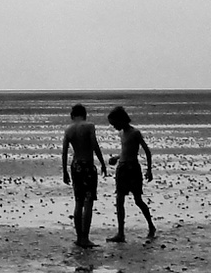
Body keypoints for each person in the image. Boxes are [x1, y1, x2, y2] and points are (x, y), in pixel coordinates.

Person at [61, 105, 108, 248]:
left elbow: (64, 152)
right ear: (84, 114)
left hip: (75, 166)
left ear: (72, 115)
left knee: (78, 202)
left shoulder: (68, 130)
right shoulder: (89, 126)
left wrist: (64, 171)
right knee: (88, 202)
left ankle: (79, 237)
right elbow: (94, 144)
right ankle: (85, 238)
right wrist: (102, 163)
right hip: (87, 165)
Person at [106, 105, 154, 242]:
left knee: (138, 200)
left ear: (121, 120)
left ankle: (151, 226)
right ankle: (120, 233)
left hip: (133, 168)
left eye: (115, 124)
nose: (114, 127)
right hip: (122, 168)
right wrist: (116, 157)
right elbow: (125, 151)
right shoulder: (121, 134)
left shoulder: (135, 133)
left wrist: (149, 170)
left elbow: (147, 151)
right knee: (119, 200)